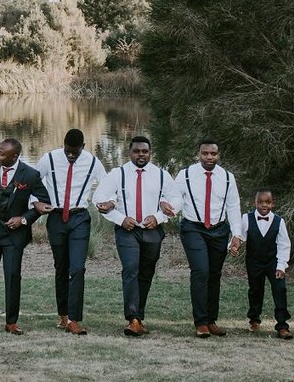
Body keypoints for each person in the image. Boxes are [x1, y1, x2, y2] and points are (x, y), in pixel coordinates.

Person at [0, 137, 51, 335]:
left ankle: (11, 322)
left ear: (14, 156)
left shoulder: (30, 174)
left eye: (1, 154)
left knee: (13, 276)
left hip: (14, 236)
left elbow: (43, 202)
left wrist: (23, 219)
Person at [92, 135, 174, 337]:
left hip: (152, 230)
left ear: (150, 153)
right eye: (137, 151)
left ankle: (139, 316)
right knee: (130, 269)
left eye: (144, 151)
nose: (141, 155)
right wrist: (120, 218)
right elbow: (99, 199)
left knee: (146, 273)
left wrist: (158, 216)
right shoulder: (117, 174)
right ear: (130, 152)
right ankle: (133, 319)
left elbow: (176, 201)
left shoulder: (161, 175)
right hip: (127, 230)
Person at [161, 139, 242, 337]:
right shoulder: (186, 174)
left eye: (213, 154)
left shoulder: (228, 178)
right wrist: (167, 205)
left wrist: (237, 235)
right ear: (198, 154)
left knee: (214, 274)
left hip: (219, 230)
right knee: (201, 271)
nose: (209, 157)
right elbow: (176, 196)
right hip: (193, 228)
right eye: (205, 153)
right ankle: (200, 322)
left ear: (218, 155)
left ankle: (211, 320)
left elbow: (233, 206)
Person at [34, 128, 106, 335]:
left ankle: (74, 319)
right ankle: (63, 315)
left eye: (75, 152)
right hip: (56, 217)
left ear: (83, 147)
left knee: (78, 268)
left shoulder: (93, 162)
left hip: (80, 218)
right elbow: (33, 183)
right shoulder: (49, 158)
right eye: (67, 151)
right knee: (61, 268)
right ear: (63, 145)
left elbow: (108, 184)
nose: (71, 155)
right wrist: (36, 203)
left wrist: (105, 201)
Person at [231, 189, 293, 340]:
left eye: (267, 202)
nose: (264, 205)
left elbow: (284, 244)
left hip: (274, 262)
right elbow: (239, 236)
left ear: (273, 204)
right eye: (260, 202)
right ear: (255, 203)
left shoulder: (279, 221)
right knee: (255, 290)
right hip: (254, 262)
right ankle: (254, 319)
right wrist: (233, 246)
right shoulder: (246, 218)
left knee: (280, 290)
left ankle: (282, 326)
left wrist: (281, 266)